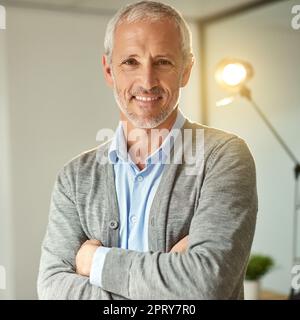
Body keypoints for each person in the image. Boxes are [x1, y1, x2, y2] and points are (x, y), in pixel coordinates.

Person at [37, 1, 257, 300]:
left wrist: (94, 261)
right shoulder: (75, 178)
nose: (147, 81)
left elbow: (206, 285)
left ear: (186, 70)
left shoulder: (224, 157)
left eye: (163, 61)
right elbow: (51, 289)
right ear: (108, 70)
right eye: (130, 62)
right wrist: (170, 281)